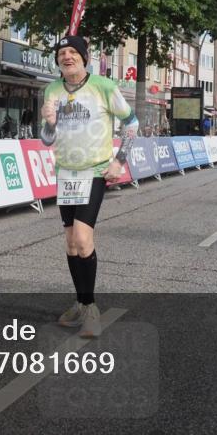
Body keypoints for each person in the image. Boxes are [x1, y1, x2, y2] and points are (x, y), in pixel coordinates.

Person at [41, 35, 138, 339]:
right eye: (62, 53)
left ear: (84, 57)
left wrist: (120, 161)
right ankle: (80, 303)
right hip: (65, 173)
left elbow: (132, 122)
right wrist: (49, 122)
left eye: (73, 52)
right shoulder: (52, 90)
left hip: (94, 171)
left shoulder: (103, 86)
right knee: (71, 243)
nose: (67, 56)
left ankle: (91, 309)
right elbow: (46, 139)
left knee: (83, 239)